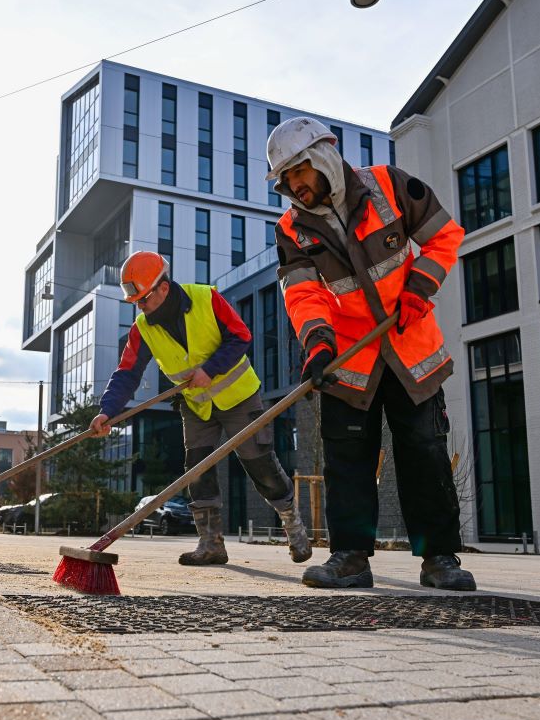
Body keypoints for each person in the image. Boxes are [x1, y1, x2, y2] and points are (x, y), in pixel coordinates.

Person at [265, 116, 476, 591]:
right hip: (349, 359)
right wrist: (318, 342)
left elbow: (444, 236)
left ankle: (440, 558)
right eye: (285, 178)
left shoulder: (392, 187)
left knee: (424, 453)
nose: (294, 185)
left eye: (299, 171)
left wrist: (420, 288)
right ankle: (351, 558)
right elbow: (303, 293)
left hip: (409, 345)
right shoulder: (291, 229)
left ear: (323, 159)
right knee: (347, 459)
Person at [89, 251, 310, 567]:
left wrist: (211, 368)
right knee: (197, 471)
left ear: (163, 288)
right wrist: (107, 412)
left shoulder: (207, 298)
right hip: (196, 406)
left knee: (260, 465)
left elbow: (241, 336)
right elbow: (127, 373)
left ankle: (292, 524)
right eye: (135, 300)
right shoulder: (143, 328)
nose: (139, 305)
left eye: (143, 298)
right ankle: (211, 544)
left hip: (240, 398)